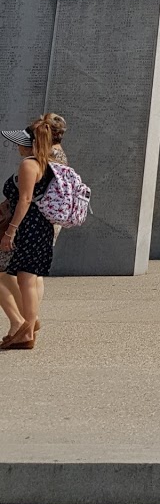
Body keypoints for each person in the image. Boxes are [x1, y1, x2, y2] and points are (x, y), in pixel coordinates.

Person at [0, 114, 66, 351]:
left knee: (26, 279)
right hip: (42, 227)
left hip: (30, 227)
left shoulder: (30, 164)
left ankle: (27, 330)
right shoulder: (50, 165)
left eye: (21, 142)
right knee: (30, 277)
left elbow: (25, 200)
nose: (17, 146)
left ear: (32, 143)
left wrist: (11, 231)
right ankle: (26, 328)